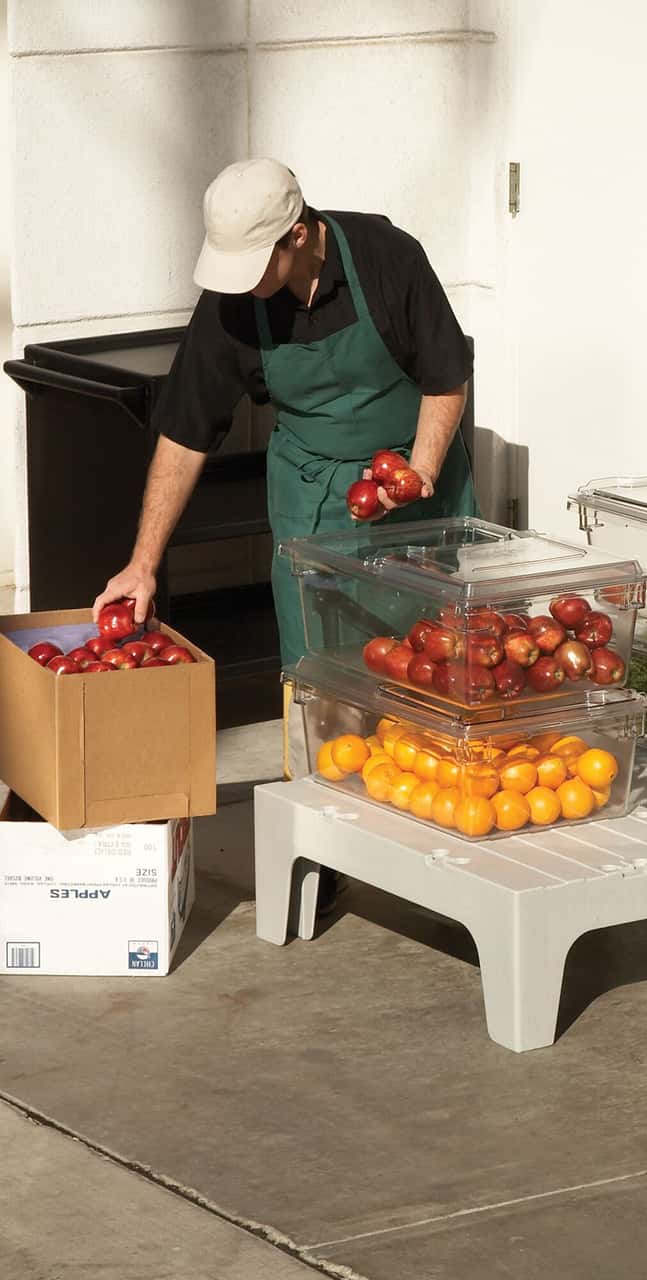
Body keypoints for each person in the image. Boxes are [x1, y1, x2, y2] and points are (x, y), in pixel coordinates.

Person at [94, 158, 477, 912]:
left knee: (436, 665)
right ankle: (326, 842)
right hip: (312, 495)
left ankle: (440, 827)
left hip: (416, 487)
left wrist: (420, 469)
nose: (237, 283)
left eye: (253, 263)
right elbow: (184, 431)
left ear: (299, 238)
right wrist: (142, 563)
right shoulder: (236, 305)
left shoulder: (388, 259)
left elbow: (445, 373)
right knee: (318, 676)